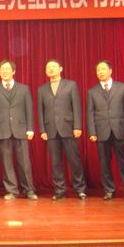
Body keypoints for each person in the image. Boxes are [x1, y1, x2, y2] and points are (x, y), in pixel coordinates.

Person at [86, 61, 124, 200]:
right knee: (104, 163)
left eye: (103, 69)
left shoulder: (122, 87)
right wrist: (92, 132)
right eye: (98, 70)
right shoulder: (92, 92)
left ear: (110, 71)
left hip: (120, 129)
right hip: (101, 132)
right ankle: (109, 190)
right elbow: (90, 113)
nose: (101, 72)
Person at [0, 60, 37, 201]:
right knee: (6, 162)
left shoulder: (24, 89)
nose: (5, 71)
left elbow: (29, 109)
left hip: (21, 129)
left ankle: (29, 190)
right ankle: (11, 190)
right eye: (2, 69)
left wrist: (30, 128)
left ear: (14, 71)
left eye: (8, 69)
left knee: (24, 162)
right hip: (2, 130)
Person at [38, 59, 87, 200]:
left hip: (68, 128)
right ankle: (59, 189)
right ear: (45, 71)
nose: (51, 69)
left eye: (54, 66)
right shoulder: (42, 89)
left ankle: (80, 189)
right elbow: (40, 111)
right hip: (51, 129)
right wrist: (42, 130)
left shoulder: (71, 85)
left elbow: (76, 107)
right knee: (55, 162)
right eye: (48, 67)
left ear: (61, 69)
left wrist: (77, 126)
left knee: (74, 160)